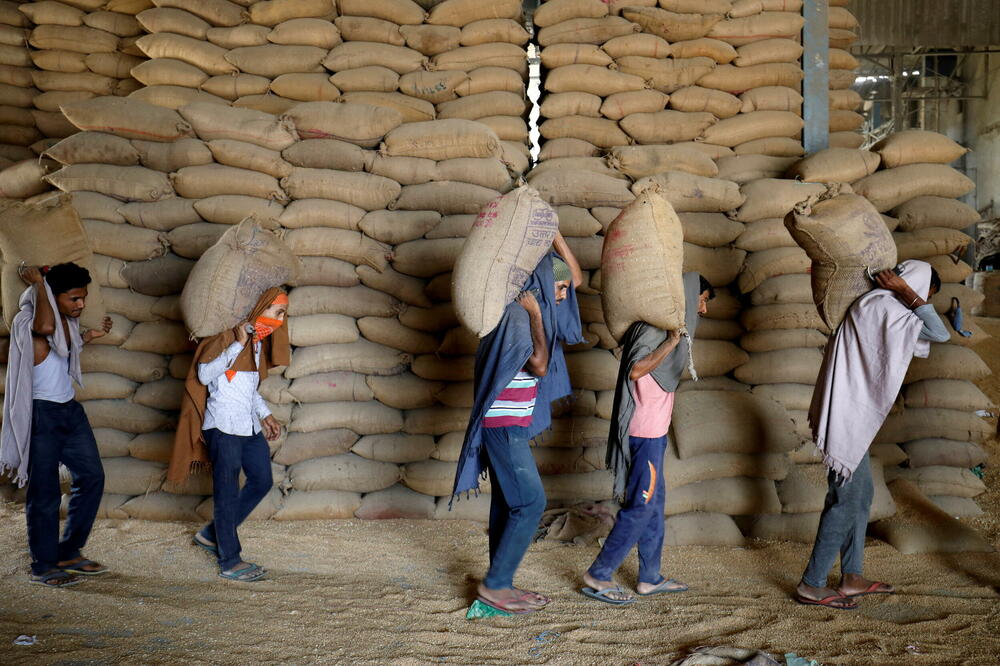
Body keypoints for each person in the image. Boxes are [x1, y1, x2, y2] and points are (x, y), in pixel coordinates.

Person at [796, 260, 949, 610]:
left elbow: (932, 331)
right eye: (926, 294)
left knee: (860, 495)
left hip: (853, 417)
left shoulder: (888, 312)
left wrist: (906, 297)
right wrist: (907, 293)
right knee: (845, 500)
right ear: (913, 285)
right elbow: (938, 334)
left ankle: (851, 576)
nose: (923, 302)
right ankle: (811, 584)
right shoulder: (879, 306)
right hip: (846, 417)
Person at [452, 232, 583, 615]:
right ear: (541, 284)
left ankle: (500, 580)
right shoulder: (518, 316)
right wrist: (539, 315)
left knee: (508, 502)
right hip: (503, 426)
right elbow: (539, 365)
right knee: (531, 502)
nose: (563, 295)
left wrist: (555, 238)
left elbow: (574, 279)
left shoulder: (524, 308)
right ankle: (495, 586)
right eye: (556, 288)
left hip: (508, 424)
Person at [581, 273, 714, 605]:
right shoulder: (655, 332)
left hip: (655, 434)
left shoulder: (666, 330)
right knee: (641, 506)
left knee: (654, 506)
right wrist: (670, 341)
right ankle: (598, 573)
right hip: (643, 435)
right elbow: (636, 371)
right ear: (690, 294)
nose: (703, 309)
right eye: (703, 299)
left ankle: (649, 578)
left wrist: (674, 339)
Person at [1, 263, 113, 588]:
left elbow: (65, 350)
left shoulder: (67, 324)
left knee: (92, 476)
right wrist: (38, 282)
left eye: (84, 298)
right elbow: (46, 327)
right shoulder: (31, 322)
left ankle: (69, 551)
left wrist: (91, 335)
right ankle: (44, 564)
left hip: (69, 411)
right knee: (45, 491)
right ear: (53, 295)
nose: (81, 305)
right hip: (42, 415)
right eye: (74, 299)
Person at [168, 287, 288, 582]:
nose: (282, 320)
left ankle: (210, 535)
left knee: (261, 480)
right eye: (278, 312)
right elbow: (204, 376)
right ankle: (229, 560)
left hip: (247, 425)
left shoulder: (258, 344)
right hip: (222, 427)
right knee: (227, 491)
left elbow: (247, 389)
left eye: (284, 314)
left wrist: (265, 414)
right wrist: (237, 344)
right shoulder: (225, 338)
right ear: (260, 308)